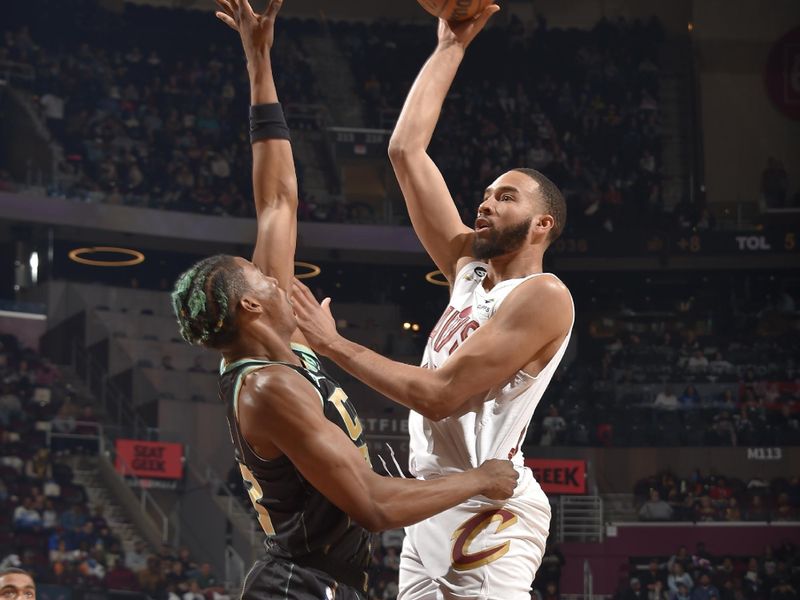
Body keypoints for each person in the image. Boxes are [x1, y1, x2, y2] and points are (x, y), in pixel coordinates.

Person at [174, 2, 519, 599]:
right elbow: (374, 504)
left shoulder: (287, 345)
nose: (275, 278)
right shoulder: (266, 387)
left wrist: (259, 61)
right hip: (297, 587)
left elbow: (277, 200)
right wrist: (481, 480)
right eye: (260, 280)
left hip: (327, 583)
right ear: (250, 308)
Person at [290, 5, 573, 598]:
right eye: (486, 194)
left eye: (506, 196)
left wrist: (330, 341)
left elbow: (441, 397)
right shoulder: (469, 271)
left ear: (543, 223)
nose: (486, 203)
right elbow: (405, 153)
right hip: (433, 497)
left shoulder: (544, 296)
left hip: (487, 508)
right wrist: (450, 46)